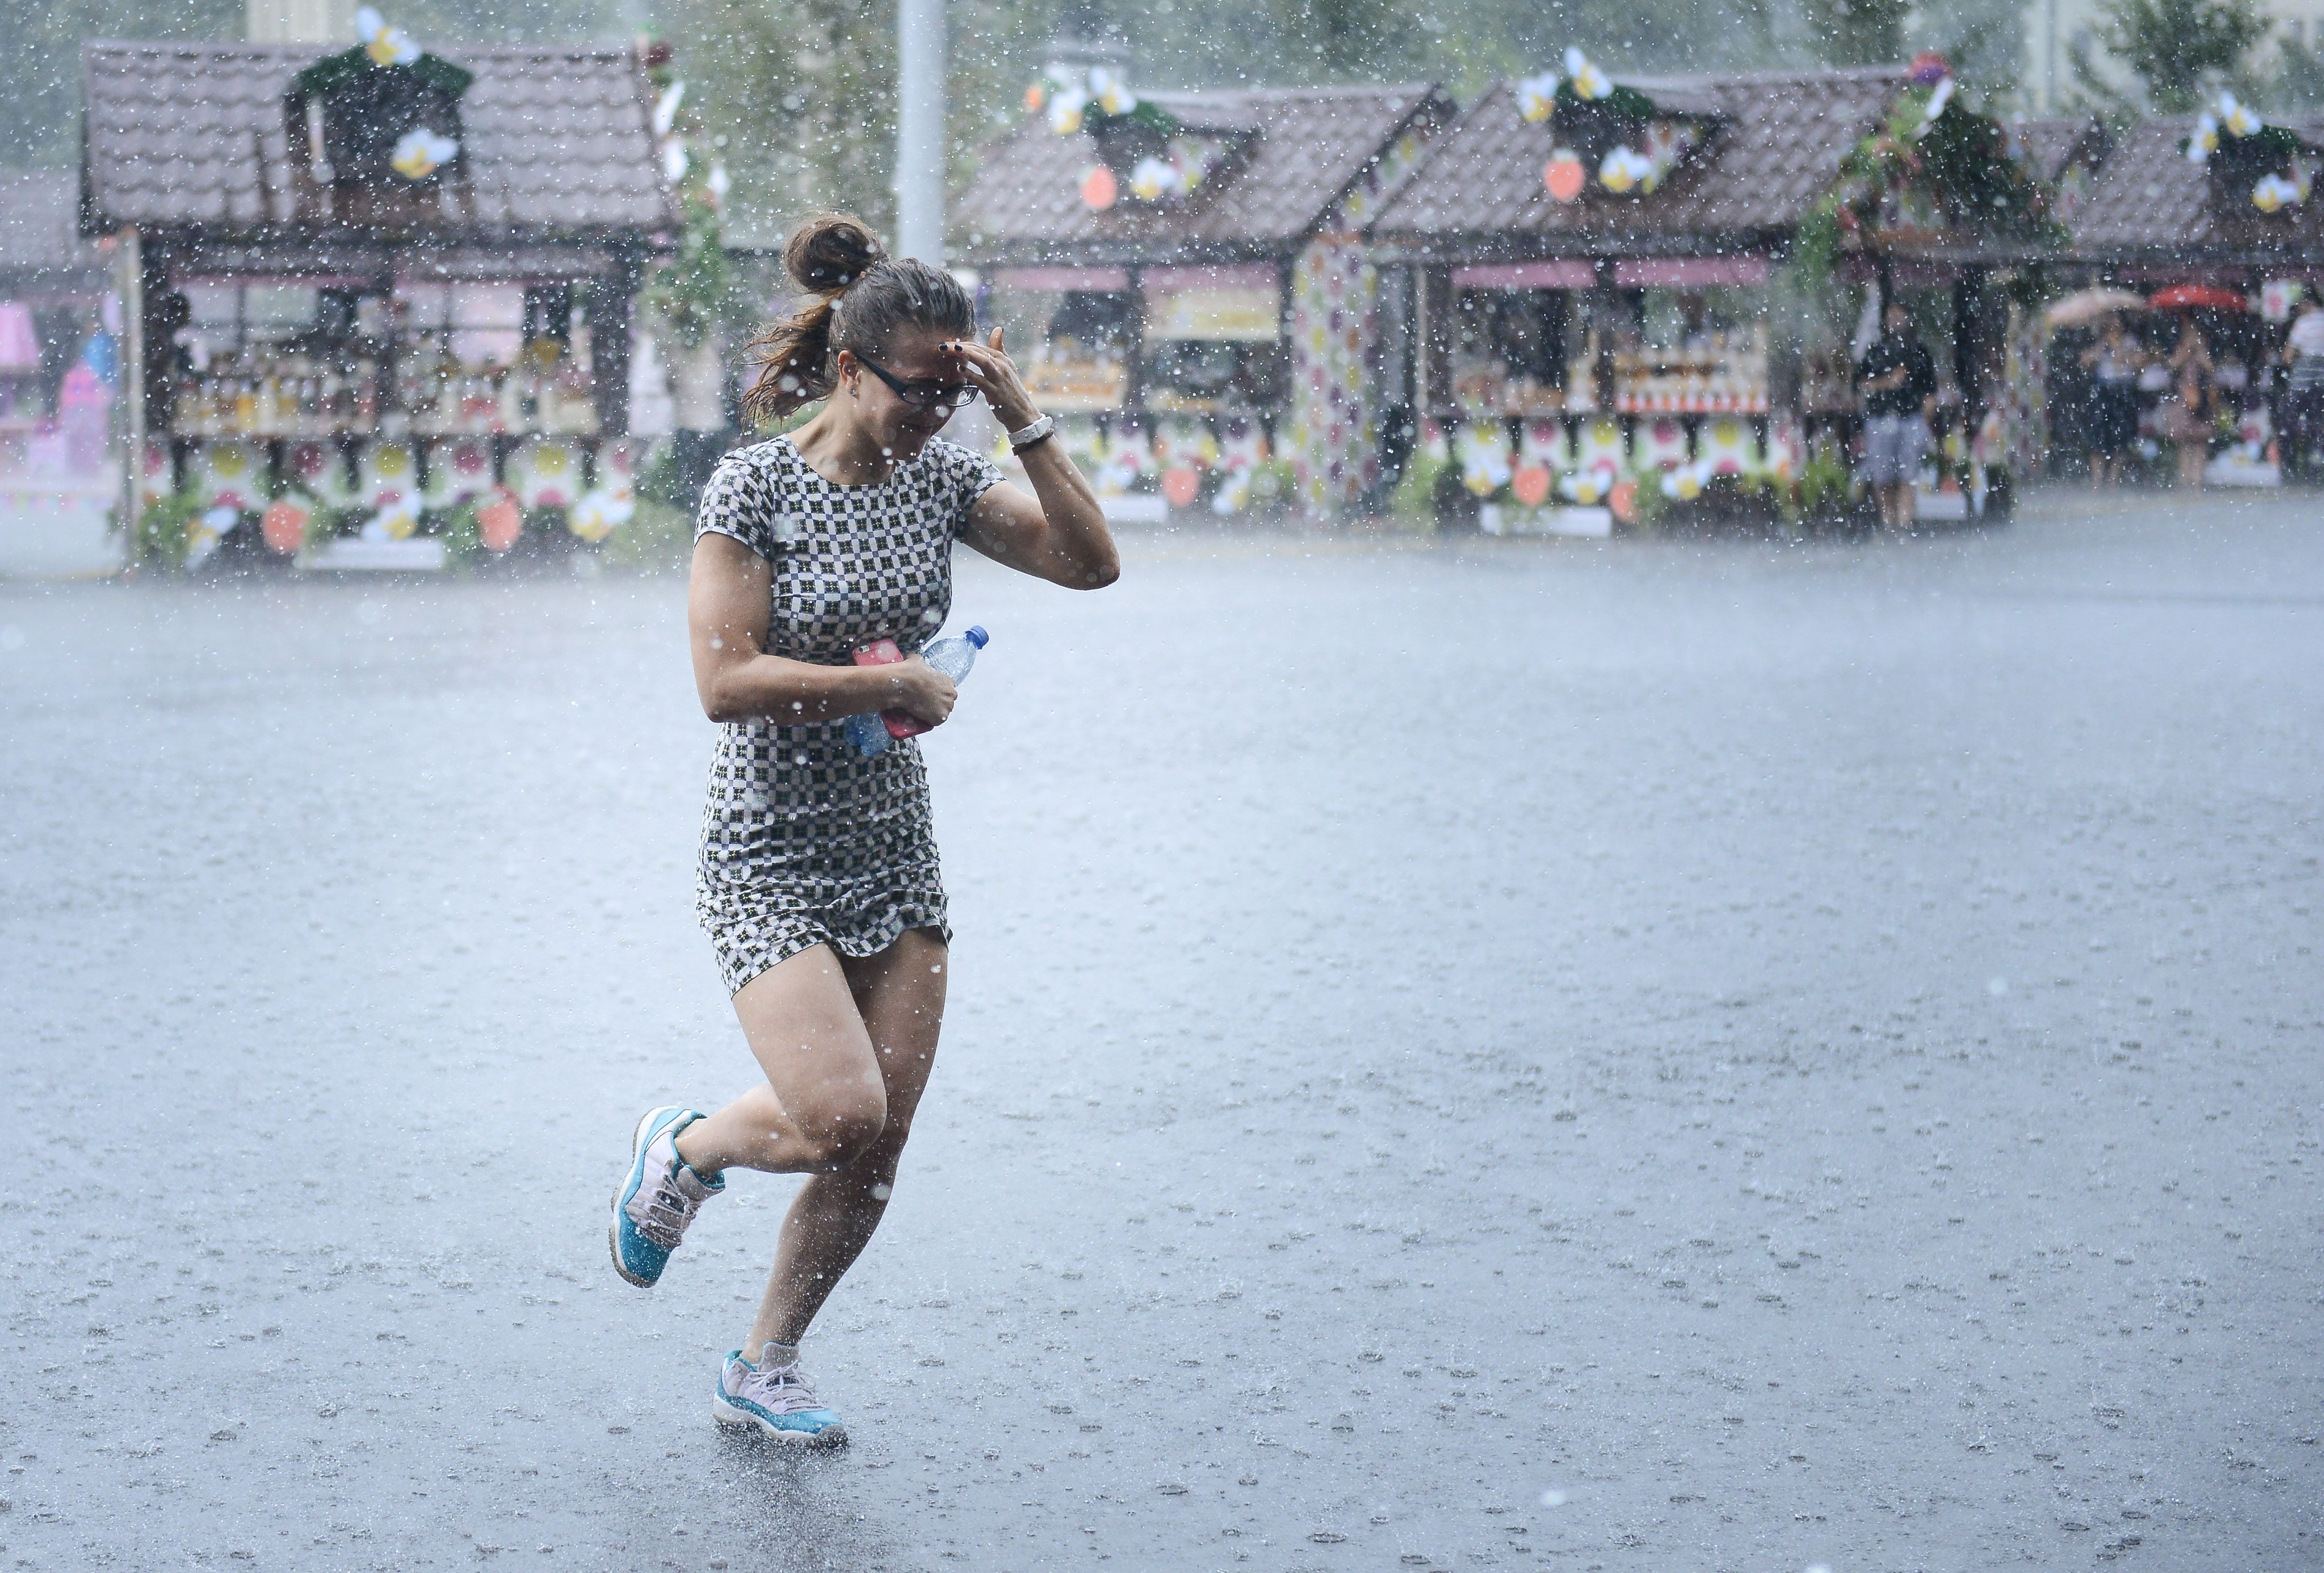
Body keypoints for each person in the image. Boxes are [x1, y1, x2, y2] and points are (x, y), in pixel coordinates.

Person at [608, 214, 1118, 1446]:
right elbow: (723, 681)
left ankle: (764, 1360)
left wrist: (1025, 420)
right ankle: (686, 1146)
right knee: (837, 1115)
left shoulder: (941, 476)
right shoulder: (755, 483)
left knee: (878, 1144)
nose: (936, 415)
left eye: (958, 391)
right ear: (851, 368)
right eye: (920, 389)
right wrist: (885, 685)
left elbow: (1089, 565)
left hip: (893, 844)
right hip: (768, 845)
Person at [1855, 299, 1938, 529]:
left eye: (1900, 317)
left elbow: (1930, 390)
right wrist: (1887, 382)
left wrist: (1926, 416)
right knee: (1882, 477)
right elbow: (1861, 384)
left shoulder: (1919, 353)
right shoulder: (1875, 352)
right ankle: (1888, 521)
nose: (1896, 322)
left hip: (1911, 419)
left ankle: (1904, 521)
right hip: (1881, 418)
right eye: (1891, 317)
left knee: (1907, 475)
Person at [2079, 316, 2145, 489]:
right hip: (2103, 390)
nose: (2114, 327)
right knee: (2098, 435)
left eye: (2117, 324)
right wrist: (2099, 351)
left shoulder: (2131, 342)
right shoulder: (2100, 342)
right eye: (2111, 324)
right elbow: (2085, 362)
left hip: (2123, 389)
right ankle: (2097, 481)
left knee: (2121, 436)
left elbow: (2140, 364)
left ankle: (2113, 481)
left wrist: (2124, 356)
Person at [2163, 318, 2214, 490]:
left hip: (2201, 399)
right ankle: (2185, 477)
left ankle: (2198, 477)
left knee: (2200, 440)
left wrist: (2200, 351)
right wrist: (2186, 352)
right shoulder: (2181, 350)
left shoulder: (2204, 351)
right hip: (2184, 398)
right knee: (2184, 441)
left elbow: (2210, 369)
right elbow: (2172, 366)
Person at [2281, 294, 2324, 481]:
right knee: (2318, 425)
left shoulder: (2303, 324)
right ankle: (2317, 464)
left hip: (2301, 385)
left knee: (2288, 425)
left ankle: (2291, 469)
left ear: (2308, 303)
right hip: (2321, 384)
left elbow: (2288, 356)